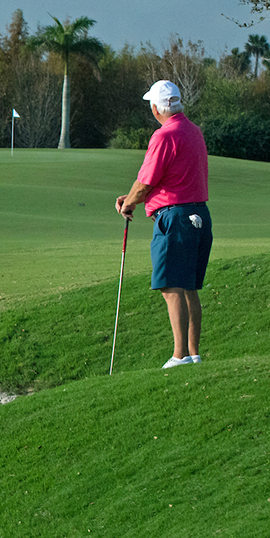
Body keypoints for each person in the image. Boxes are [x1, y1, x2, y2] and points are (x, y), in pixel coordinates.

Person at [114, 81, 212, 369]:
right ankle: (193, 354)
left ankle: (180, 356)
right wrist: (133, 197)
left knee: (171, 287)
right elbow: (168, 179)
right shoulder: (194, 131)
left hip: (175, 218)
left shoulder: (164, 135)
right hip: (199, 214)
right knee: (189, 287)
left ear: (156, 108)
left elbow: (145, 182)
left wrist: (129, 203)